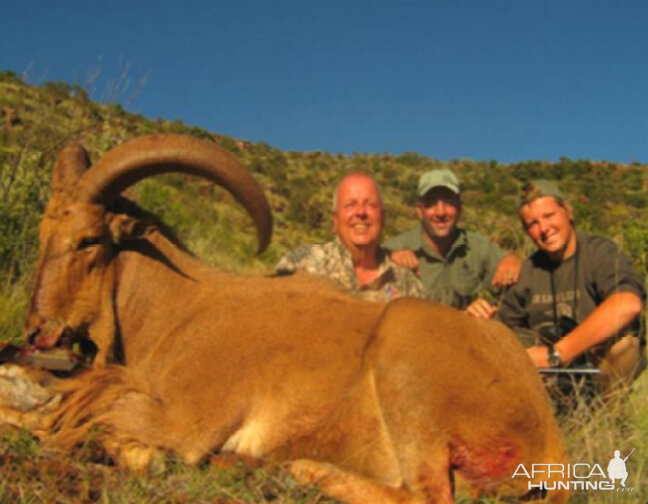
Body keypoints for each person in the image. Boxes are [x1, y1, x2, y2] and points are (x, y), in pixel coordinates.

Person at [492, 180, 645, 396]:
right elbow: (500, 332)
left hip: (596, 368)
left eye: (549, 216)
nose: (544, 229)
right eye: (533, 224)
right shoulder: (527, 272)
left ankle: (610, 416)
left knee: (624, 346)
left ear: (568, 212)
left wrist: (556, 355)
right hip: (547, 381)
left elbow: (628, 304)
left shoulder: (598, 252)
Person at [275, 172, 426, 302]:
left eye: (371, 204)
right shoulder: (302, 264)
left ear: (383, 217)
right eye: (350, 205)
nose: (361, 212)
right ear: (335, 219)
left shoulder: (405, 281)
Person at [384, 169, 521, 310]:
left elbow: (510, 271)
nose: (441, 212)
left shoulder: (479, 247)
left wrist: (513, 259)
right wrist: (389, 260)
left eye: (449, 202)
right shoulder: (395, 248)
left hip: (463, 329)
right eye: (431, 204)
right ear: (420, 211)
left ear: (459, 207)